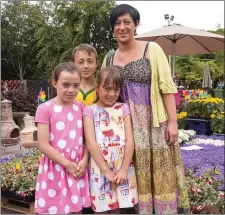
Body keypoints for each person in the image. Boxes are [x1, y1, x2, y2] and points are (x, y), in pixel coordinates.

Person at [101, 4, 190, 214]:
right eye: (117, 23)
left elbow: (167, 87)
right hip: (122, 129)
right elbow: (105, 92)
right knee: (128, 174)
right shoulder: (109, 57)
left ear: (136, 24)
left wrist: (173, 122)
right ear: (113, 28)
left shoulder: (152, 49)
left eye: (127, 22)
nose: (122, 27)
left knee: (158, 174)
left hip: (152, 126)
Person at [34, 62, 91, 214]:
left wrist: (84, 160)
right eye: (65, 85)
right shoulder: (45, 109)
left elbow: (87, 140)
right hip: (56, 167)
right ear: (54, 83)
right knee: (55, 208)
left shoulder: (81, 108)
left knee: (76, 209)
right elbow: (43, 145)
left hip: (77, 166)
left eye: (75, 85)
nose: (71, 90)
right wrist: (67, 164)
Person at [83, 66, 138, 214]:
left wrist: (124, 169)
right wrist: (105, 170)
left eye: (116, 89)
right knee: (101, 208)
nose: (112, 94)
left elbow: (130, 140)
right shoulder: (89, 110)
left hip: (122, 167)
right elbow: (91, 143)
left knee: (116, 209)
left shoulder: (123, 108)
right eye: (107, 89)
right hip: (100, 169)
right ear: (97, 87)